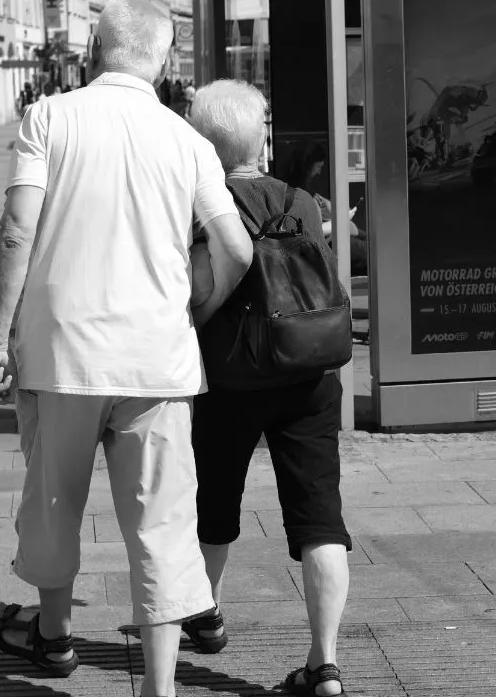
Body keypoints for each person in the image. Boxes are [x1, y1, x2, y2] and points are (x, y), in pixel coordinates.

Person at [0, 0, 253, 697]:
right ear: (164, 59)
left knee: (53, 502)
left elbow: (16, 231)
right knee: (161, 524)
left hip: (61, 354)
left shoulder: (49, 117)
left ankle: (55, 635)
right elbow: (235, 246)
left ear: (94, 47)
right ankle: (159, 687)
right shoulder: (186, 140)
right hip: (157, 361)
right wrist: (198, 307)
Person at [185, 79, 351, 697]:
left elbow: (199, 291)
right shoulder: (306, 203)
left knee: (213, 504)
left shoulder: (204, 205)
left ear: (201, 140)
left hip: (230, 379)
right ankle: (325, 664)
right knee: (319, 518)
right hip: (308, 374)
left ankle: (206, 617)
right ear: (263, 137)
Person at [282, 142, 367, 277]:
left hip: (333, 235)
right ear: (308, 166)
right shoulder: (296, 195)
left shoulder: (304, 190)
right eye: (318, 167)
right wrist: (341, 221)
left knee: (368, 240)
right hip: (323, 244)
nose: (320, 172)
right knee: (367, 250)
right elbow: (309, 231)